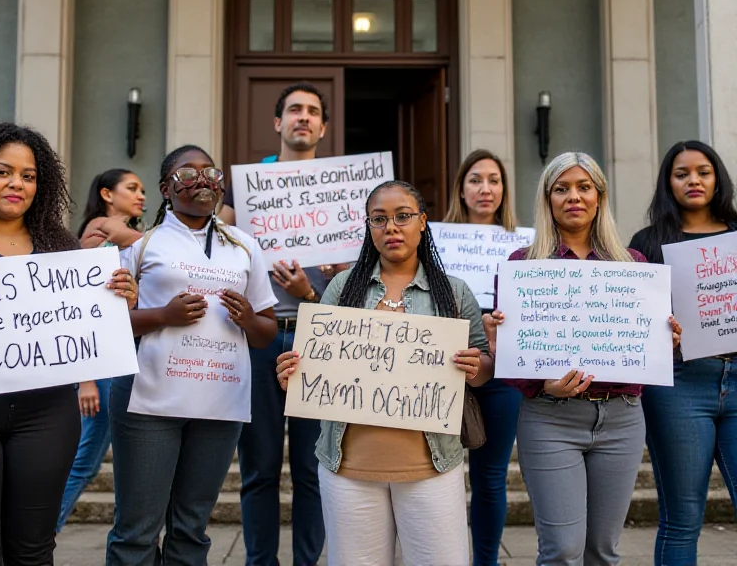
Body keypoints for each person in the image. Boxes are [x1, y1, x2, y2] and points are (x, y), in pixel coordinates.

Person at [0, 122, 137, 563]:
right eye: (3, 172)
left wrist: (121, 301)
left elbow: (90, 334)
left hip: (46, 417)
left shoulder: (62, 249)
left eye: (28, 176)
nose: (17, 184)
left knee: (32, 551)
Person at [276, 180, 493, 565]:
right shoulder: (342, 288)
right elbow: (311, 363)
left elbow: (484, 370)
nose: (391, 227)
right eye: (379, 219)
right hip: (348, 471)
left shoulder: (455, 292)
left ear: (423, 222)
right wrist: (291, 371)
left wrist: (476, 367)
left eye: (403, 216)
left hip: (431, 469)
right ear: (368, 227)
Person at [483, 152, 682, 565]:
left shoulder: (633, 265)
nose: (574, 197)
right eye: (562, 188)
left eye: (584, 187)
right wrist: (530, 375)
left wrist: (665, 341)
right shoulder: (523, 266)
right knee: (562, 551)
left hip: (622, 419)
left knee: (603, 552)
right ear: (548, 199)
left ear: (599, 197)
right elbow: (516, 359)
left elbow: (645, 350)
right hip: (550, 417)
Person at [106, 145, 278, 565]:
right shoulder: (140, 247)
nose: (202, 179)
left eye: (211, 172)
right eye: (188, 173)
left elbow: (266, 333)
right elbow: (109, 324)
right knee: (137, 529)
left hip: (217, 401)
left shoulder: (245, 246)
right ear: (166, 188)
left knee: (191, 528)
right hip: (148, 400)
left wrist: (249, 319)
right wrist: (164, 315)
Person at [223, 82, 335, 565]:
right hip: (260, 337)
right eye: (294, 110)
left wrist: (333, 275)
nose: (303, 118)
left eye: (312, 111)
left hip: (320, 336)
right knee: (259, 469)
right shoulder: (247, 185)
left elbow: (366, 271)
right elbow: (213, 245)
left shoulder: (341, 187)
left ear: (324, 128)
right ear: (277, 123)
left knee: (314, 470)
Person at [628, 140, 737, 565]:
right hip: (679, 386)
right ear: (667, 182)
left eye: (703, 172)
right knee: (683, 516)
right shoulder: (647, 243)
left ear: (717, 179)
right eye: (681, 173)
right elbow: (632, 318)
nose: (693, 180)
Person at [56, 168, 146, 532]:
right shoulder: (99, 232)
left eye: (142, 189)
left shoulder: (134, 239)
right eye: (131, 188)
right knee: (84, 460)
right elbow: (77, 306)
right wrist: (86, 379)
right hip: (104, 364)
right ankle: (42, 535)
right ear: (107, 194)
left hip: (129, 359)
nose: (140, 195)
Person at [443, 148, 521, 565]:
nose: (485, 188)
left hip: (503, 374)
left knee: (490, 479)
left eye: (494, 179)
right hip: (443, 369)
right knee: (442, 476)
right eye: (475, 179)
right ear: (461, 188)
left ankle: (485, 560)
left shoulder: (525, 245)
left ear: (505, 189)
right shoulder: (435, 240)